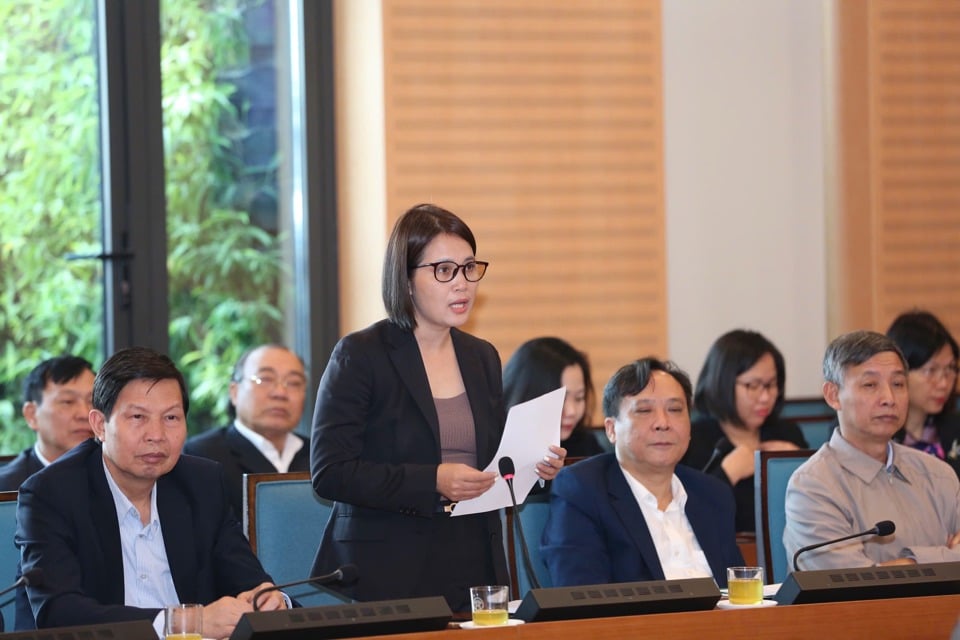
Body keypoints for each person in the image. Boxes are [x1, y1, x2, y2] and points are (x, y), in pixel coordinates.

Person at [310, 203, 566, 612]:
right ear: (406, 279)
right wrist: (433, 480)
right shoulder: (361, 355)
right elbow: (330, 473)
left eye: (469, 268)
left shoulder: (481, 356)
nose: (462, 284)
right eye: (443, 270)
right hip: (388, 564)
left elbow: (490, 461)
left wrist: (535, 467)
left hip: (473, 556)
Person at [14, 347, 286, 637]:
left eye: (171, 418)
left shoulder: (203, 483)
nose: (156, 435)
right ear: (99, 425)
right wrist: (187, 622)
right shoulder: (51, 493)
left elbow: (248, 579)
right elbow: (59, 612)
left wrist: (265, 599)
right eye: (137, 418)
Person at [541, 357, 743, 587]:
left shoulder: (713, 495)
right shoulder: (583, 490)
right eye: (645, 410)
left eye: (675, 409)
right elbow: (580, 595)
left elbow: (740, 591)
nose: (663, 423)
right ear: (611, 429)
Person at [783, 330, 960, 570]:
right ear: (833, 395)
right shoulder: (813, 487)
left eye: (898, 384)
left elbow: (873, 577)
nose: (888, 398)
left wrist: (892, 566)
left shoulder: (939, 476)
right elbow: (853, 586)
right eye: (870, 385)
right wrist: (940, 557)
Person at [679, 329, 807, 532]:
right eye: (753, 385)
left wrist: (799, 464)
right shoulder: (692, 441)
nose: (765, 397)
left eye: (771, 385)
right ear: (723, 383)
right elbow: (683, 520)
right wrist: (726, 475)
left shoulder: (787, 433)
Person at [183, 344, 310, 516]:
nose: (280, 392)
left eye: (294, 383)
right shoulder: (200, 457)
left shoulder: (320, 455)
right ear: (234, 392)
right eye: (265, 379)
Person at [0, 355, 96, 491]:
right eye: (68, 401)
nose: (85, 414)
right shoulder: (6, 488)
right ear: (32, 415)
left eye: (92, 401)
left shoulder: (122, 477)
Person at [503, 337, 606, 458]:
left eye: (579, 398)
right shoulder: (493, 444)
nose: (572, 411)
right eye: (561, 399)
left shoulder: (586, 445)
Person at [886, 310, 960, 478]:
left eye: (950, 369)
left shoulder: (956, 428)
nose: (943, 383)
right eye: (931, 370)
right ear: (900, 372)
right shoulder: (873, 431)